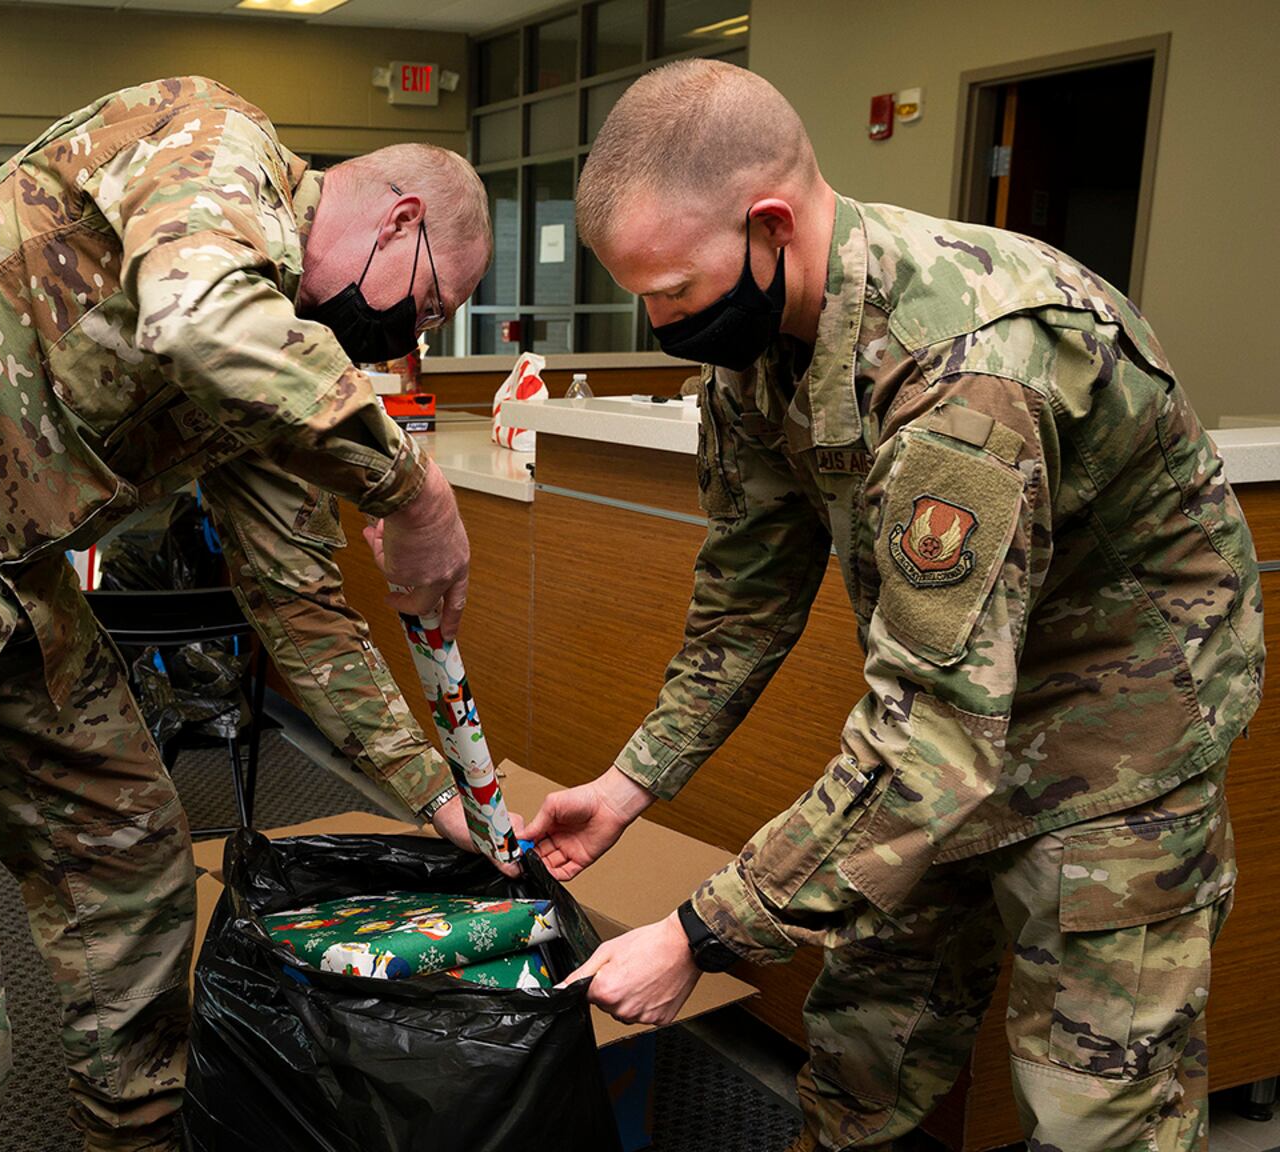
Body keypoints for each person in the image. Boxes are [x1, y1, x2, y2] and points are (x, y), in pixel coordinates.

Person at [0, 76, 489, 1151]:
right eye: (426, 308)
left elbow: (300, 607)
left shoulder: (286, 358)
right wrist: (413, 490)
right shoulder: (213, 135)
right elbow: (198, 310)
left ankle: (137, 1134)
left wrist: (437, 797)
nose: (408, 341)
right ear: (400, 221)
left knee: (135, 858)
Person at [527, 60, 1263, 1152]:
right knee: (869, 1040)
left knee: (1095, 1107)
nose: (661, 318)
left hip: (1118, 732)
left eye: (674, 291)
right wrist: (629, 785)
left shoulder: (971, 371)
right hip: (948, 717)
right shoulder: (757, 347)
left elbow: (931, 740)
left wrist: (699, 931)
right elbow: (743, 607)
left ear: (770, 223)